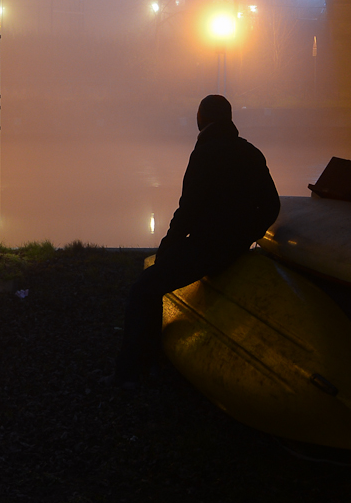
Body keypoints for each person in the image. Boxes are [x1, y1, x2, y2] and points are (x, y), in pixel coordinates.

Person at [114, 94, 280, 386]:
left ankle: (133, 371)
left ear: (202, 118)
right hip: (235, 246)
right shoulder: (250, 152)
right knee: (151, 284)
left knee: (144, 289)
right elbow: (271, 206)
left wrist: (167, 247)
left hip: (207, 248)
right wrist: (245, 237)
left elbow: (188, 211)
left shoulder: (204, 153)